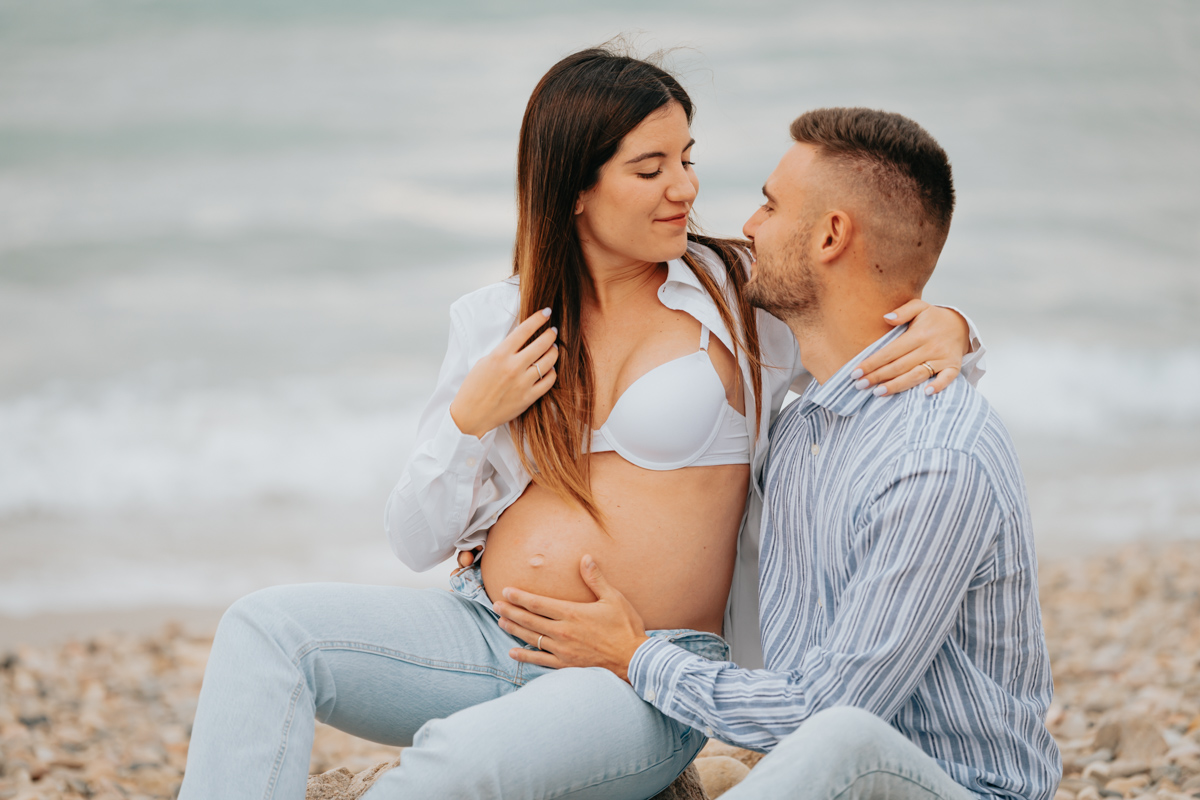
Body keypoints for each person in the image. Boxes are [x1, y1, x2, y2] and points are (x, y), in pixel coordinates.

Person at [177, 50, 982, 799]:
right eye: (650, 168)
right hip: (483, 634)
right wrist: (469, 418)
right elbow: (414, 537)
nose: (686, 188)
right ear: (576, 187)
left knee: (455, 767)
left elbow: (862, 313)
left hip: (641, 673)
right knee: (264, 628)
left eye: (686, 158)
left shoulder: (741, 297)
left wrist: (952, 324)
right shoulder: (500, 318)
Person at [494, 108, 1060, 800]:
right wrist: (499, 529)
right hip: (820, 774)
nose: (749, 227)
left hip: (961, 789)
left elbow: (825, 712)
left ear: (831, 235)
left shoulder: (933, 460)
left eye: (769, 203)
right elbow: (686, 527)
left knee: (841, 737)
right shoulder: (800, 432)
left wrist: (637, 657)